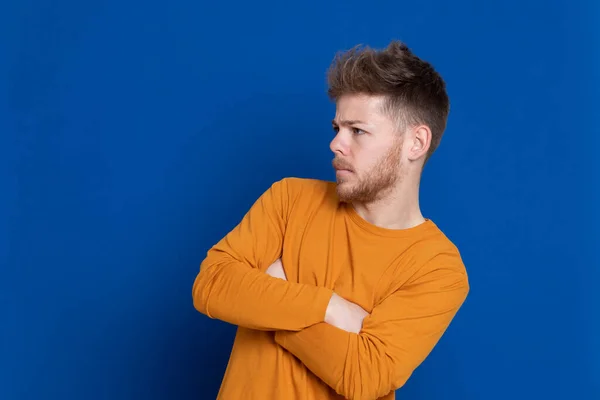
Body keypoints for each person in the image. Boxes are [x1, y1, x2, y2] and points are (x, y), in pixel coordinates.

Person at [192, 40, 470, 400]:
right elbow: (212, 285)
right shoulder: (290, 199)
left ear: (415, 143)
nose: (336, 144)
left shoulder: (438, 268)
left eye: (358, 131)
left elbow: (364, 375)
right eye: (336, 128)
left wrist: (270, 300)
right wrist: (330, 308)